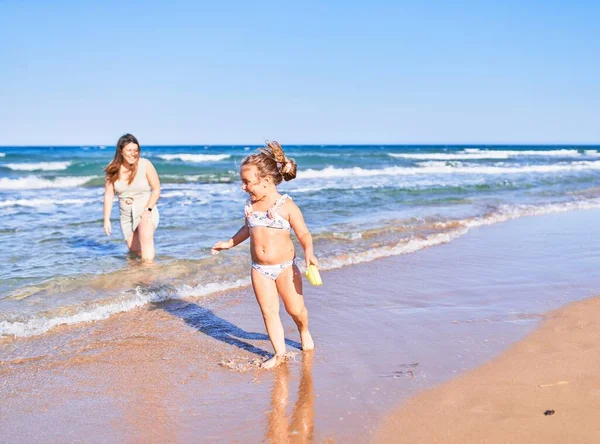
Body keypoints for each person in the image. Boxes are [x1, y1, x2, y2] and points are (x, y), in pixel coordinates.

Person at [212, 141, 317, 369]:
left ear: (267, 181)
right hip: (259, 269)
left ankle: (303, 331)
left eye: (247, 182)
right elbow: (247, 229)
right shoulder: (251, 206)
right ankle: (279, 354)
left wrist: (309, 252)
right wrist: (229, 242)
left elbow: (304, 233)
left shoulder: (285, 205)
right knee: (269, 312)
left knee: (295, 310)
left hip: (285, 268)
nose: (243, 187)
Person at [103, 133, 160, 262]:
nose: (133, 153)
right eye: (129, 150)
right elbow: (109, 194)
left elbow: (156, 189)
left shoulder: (145, 164)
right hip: (126, 215)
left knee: (146, 247)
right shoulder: (113, 168)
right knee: (135, 252)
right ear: (121, 151)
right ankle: (139, 278)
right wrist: (106, 219)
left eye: (135, 150)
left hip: (145, 210)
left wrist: (148, 210)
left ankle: (150, 279)